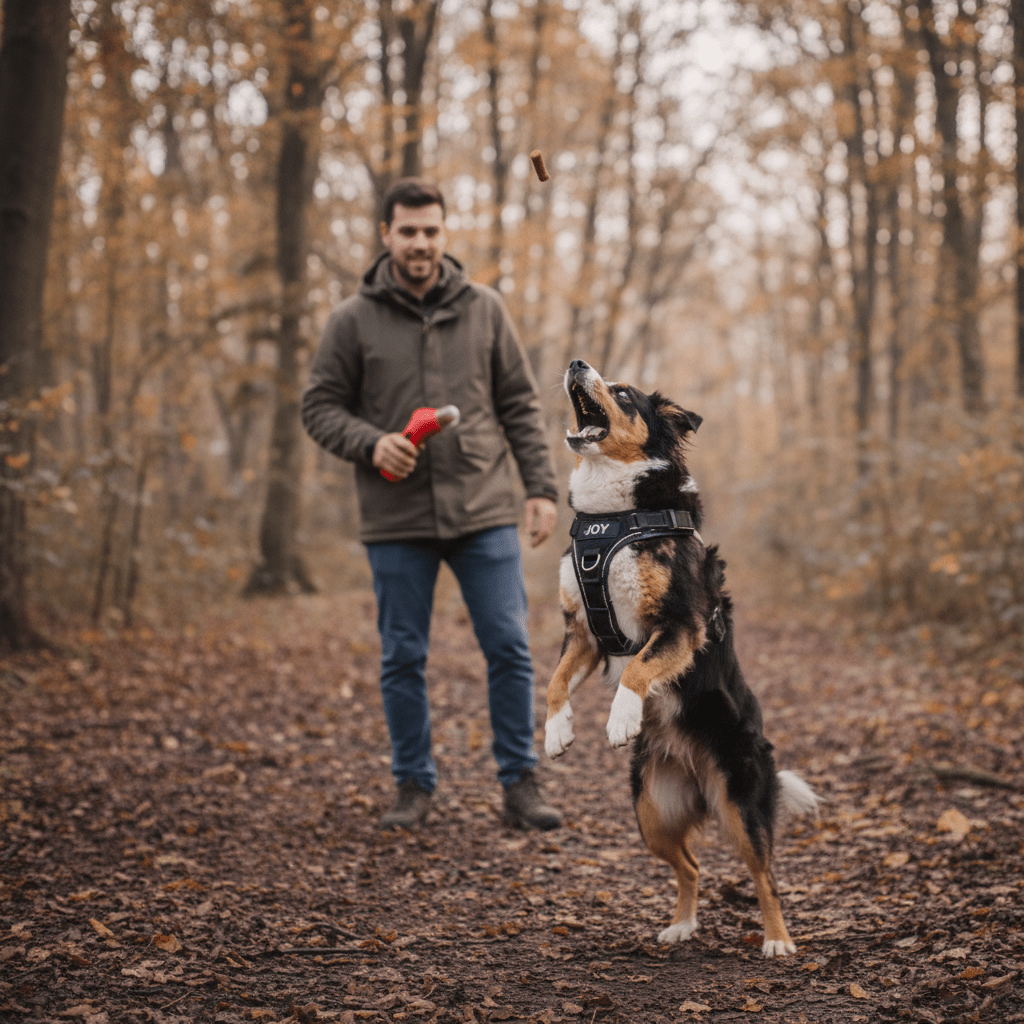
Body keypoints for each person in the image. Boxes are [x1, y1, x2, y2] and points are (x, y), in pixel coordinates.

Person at [301, 178, 562, 831]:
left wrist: (540, 487)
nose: (420, 243)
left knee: (508, 645)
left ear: (445, 235)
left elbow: (519, 406)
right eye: (408, 231)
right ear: (386, 235)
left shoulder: (485, 309)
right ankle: (413, 786)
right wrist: (372, 443)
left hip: (483, 509)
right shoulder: (350, 320)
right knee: (402, 655)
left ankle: (520, 783)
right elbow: (319, 407)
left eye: (431, 231)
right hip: (396, 519)